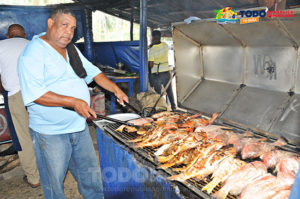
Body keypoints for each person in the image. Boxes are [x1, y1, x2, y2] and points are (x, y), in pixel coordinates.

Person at [17, 6, 128, 199]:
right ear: (50, 24)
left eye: (73, 28)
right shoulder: (33, 53)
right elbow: (35, 94)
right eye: (64, 25)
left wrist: (115, 89)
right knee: (55, 185)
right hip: (51, 132)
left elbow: (94, 73)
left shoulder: (70, 48)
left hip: (78, 127)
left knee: (91, 178)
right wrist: (74, 102)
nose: (69, 32)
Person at [0, 24, 40, 188]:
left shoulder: (1, 45)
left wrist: (4, 91)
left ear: (8, 36)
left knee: (23, 137)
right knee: (43, 133)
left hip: (15, 95)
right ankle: (50, 171)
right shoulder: (34, 45)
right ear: (24, 34)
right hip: (40, 95)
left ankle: (34, 178)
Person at [148, 30, 176, 111]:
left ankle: (161, 109)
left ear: (152, 38)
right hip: (166, 72)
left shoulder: (152, 50)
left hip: (156, 73)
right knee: (169, 90)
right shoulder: (165, 45)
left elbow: (151, 65)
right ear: (160, 37)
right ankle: (173, 107)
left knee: (158, 93)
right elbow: (159, 46)